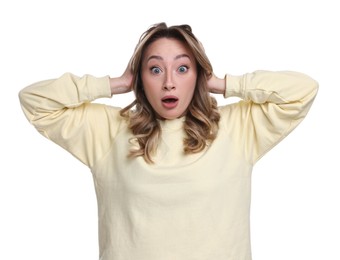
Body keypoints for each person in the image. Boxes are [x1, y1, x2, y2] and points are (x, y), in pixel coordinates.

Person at [19, 22, 318, 260]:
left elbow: (302, 91)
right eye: (155, 69)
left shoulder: (237, 128)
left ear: (197, 74)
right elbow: (35, 101)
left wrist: (222, 83)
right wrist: (117, 83)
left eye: (183, 68)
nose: (169, 82)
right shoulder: (107, 130)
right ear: (141, 78)